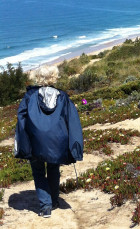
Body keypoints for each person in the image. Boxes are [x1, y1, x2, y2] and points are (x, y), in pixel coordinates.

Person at [14, 66, 83, 218]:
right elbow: (71, 120)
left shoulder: (29, 96)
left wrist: (22, 141)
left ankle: (46, 207)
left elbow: (22, 119)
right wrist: (74, 145)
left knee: (38, 172)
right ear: (54, 77)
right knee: (53, 169)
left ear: (38, 78)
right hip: (57, 141)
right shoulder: (63, 96)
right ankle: (54, 200)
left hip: (35, 141)